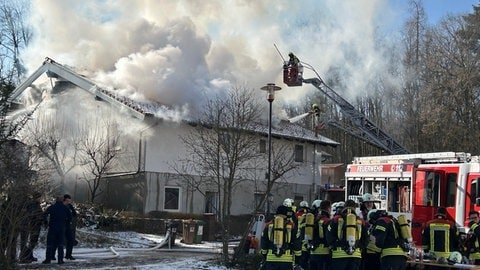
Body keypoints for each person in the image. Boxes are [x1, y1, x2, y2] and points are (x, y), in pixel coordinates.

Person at [326, 200, 368, 270]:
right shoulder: (360, 220)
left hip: (338, 256)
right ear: (354, 208)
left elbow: (328, 235)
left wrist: (336, 245)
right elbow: (366, 238)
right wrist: (358, 246)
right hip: (355, 256)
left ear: (344, 207)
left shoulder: (336, 219)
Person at [260, 205, 302, 270]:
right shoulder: (291, 226)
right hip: (286, 261)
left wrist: (264, 256)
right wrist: (298, 259)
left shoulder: (269, 225)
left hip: (271, 260)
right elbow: (297, 244)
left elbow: (264, 243)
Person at [42, 196, 72, 265]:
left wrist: (46, 223)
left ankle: (48, 259)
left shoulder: (52, 207)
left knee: (49, 244)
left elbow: (44, 215)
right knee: (60, 244)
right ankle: (60, 260)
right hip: (61, 228)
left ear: (56, 200)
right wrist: (66, 223)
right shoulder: (65, 208)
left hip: (52, 227)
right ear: (62, 201)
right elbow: (70, 217)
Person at [19, 192, 43, 263]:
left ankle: (29, 256)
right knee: (30, 241)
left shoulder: (36, 204)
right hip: (32, 225)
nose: (41, 199)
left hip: (33, 225)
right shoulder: (32, 204)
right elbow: (33, 215)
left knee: (31, 242)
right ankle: (25, 256)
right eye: (40, 198)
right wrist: (39, 218)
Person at [310, 200, 332, 270]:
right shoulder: (327, 221)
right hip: (324, 253)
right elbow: (329, 237)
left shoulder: (314, 219)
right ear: (328, 208)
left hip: (313, 253)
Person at [63, 194, 77, 260]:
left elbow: (74, 214)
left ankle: (68, 255)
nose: (69, 202)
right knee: (59, 241)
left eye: (69, 201)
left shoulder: (70, 206)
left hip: (69, 226)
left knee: (70, 241)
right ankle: (53, 255)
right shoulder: (61, 206)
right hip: (62, 226)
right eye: (67, 200)